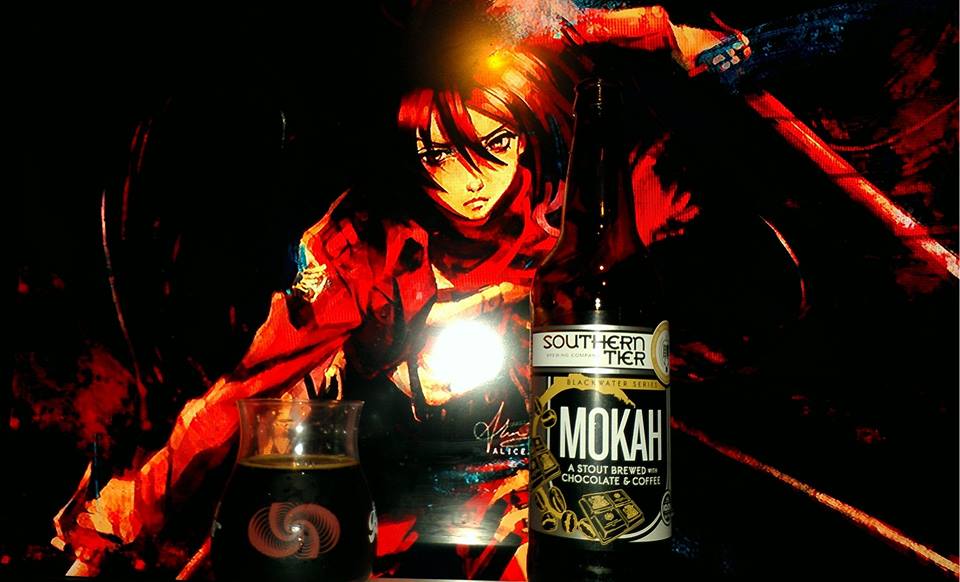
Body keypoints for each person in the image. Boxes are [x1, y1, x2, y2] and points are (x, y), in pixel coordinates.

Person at [51, 2, 751, 578]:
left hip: (539, 454)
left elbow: (709, 183)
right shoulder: (363, 245)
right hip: (382, 452)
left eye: (492, 147)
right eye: (438, 155)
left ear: (528, 136)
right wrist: (129, 514)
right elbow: (244, 391)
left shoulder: (583, 202)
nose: (465, 183)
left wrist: (684, 42)